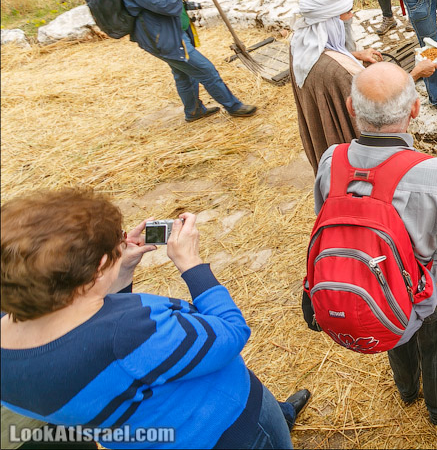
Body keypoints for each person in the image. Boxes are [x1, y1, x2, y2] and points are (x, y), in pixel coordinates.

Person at [0, 189, 310, 448]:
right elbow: (231, 333)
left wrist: (119, 275)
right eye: (116, 244)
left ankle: (280, 412)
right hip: (234, 430)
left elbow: (106, 363)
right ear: (96, 269)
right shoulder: (132, 333)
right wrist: (192, 265)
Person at [312, 62, 437, 425]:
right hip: (428, 285)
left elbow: (325, 221)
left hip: (369, 284)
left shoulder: (332, 161)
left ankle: (407, 388)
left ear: (350, 108)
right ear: (414, 110)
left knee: (391, 314)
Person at [289, 0, 437, 169]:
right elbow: (381, 103)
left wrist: (355, 54)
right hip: (358, 159)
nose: (352, 16)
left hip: (325, 145)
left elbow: (323, 54)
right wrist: (416, 74)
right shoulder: (341, 73)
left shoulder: (299, 45)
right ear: (330, 21)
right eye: (347, 12)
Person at [118, 0, 256, 123]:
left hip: (169, 33)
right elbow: (165, 3)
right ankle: (234, 107)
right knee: (206, 71)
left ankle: (194, 111)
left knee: (184, 73)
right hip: (165, 39)